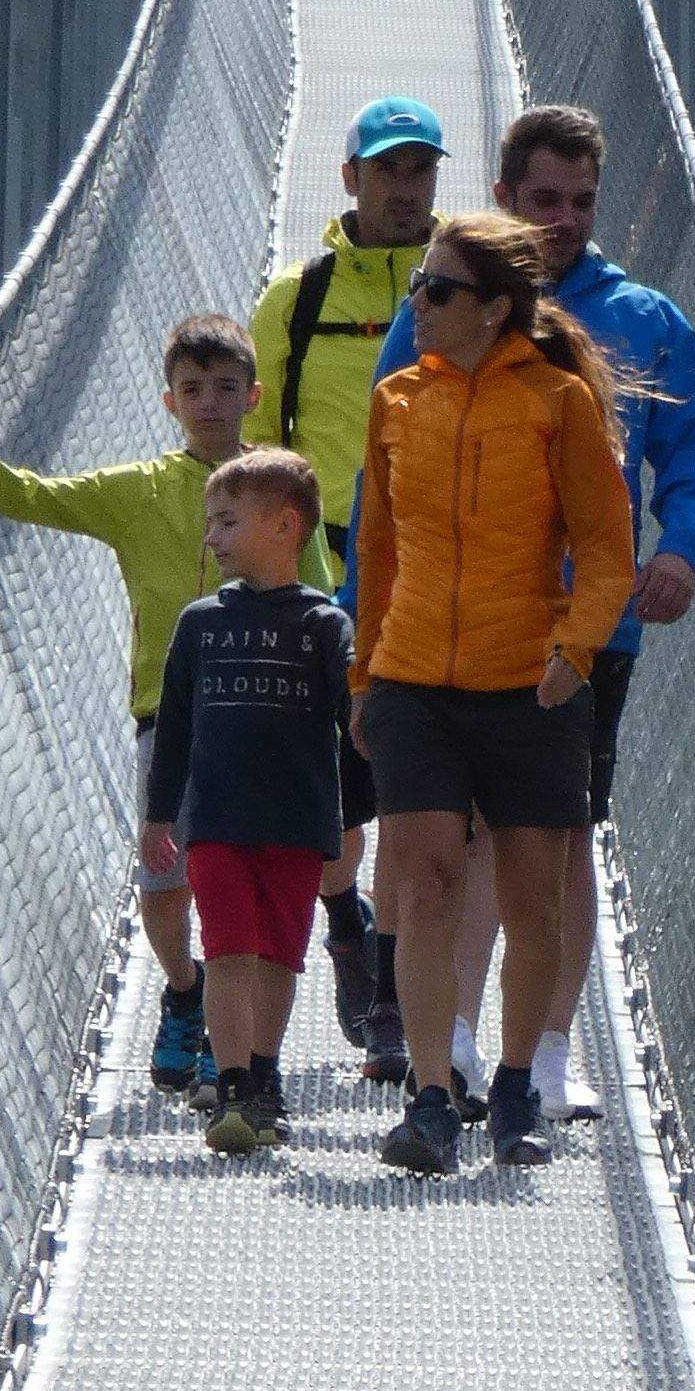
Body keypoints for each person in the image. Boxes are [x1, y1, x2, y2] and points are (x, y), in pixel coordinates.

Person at [370, 105, 695, 1123]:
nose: (564, 220)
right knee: (460, 840)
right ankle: (454, 1040)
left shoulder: (645, 320)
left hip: (586, 629)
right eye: (543, 200)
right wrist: (367, 631)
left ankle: (549, 1054)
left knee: (556, 840)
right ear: (503, 197)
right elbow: (386, 473)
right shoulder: (442, 301)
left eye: (582, 201)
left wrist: (681, 545)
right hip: (443, 637)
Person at [0, 314, 329, 1106]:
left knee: (240, 886)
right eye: (192, 389)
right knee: (165, 882)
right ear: (169, 401)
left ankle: (230, 1056)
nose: (209, 402)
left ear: (253, 395)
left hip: (267, 716)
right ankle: (185, 991)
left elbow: (320, 592)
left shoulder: (280, 490)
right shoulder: (138, 491)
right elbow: (37, 497)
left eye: (225, 387)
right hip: (172, 715)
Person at [352, 211, 639, 1177]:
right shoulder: (397, 401)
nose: (419, 304)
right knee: (425, 884)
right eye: (417, 286)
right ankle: (433, 1097)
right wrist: (363, 674)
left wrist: (576, 649)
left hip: (531, 687)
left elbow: (607, 548)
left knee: (532, 902)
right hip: (413, 682)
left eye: (439, 290)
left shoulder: (559, 403)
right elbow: (376, 551)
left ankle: (515, 1086)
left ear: (495, 309)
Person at [246, 95, 446, 1070]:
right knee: (331, 804)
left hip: (432, 562)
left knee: (407, 787)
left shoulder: (469, 286)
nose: (405, 189)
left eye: (420, 169)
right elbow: (254, 446)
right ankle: (344, 925)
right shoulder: (299, 297)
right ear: (351, 179)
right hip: (322, 564)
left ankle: (396, 1004)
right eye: (387, 169)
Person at [141, 449, 354, 1155]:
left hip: (297, 824)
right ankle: (232, 1088)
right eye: (211, 522)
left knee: (280, 958)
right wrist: (159, 817)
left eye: (227, 522)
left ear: (285, 526)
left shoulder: (325, 624)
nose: (212, 537)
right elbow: (173, 727)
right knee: (228, 948)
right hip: (218, 823)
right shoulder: (199, 624)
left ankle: (264, 1075)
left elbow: (353, 720)